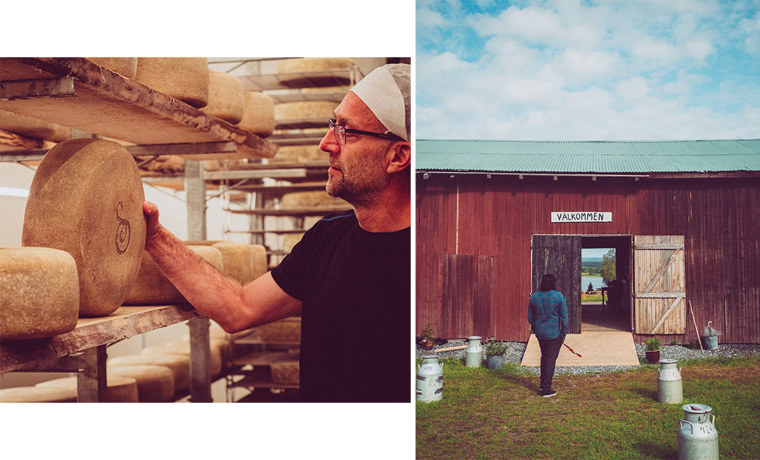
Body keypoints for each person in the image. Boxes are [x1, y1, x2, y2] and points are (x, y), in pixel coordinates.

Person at [142, 63, 411, 402]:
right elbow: (238, 309)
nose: (326, 143)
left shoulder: (429, 257)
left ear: (398, 155)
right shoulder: (326, 239)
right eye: (333, 124)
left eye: (348, 131)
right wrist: (155, 237)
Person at [527, 273, 568, 397]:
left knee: (544, 358)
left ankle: (542, 385)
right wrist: (563, 333)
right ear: (553, 283)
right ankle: (546, 389)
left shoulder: (534, 297)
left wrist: (535, 328)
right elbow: (564, 317)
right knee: (549, 360)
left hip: (540, 334)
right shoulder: (558, 296)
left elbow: (530, 317)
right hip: (554, 334)